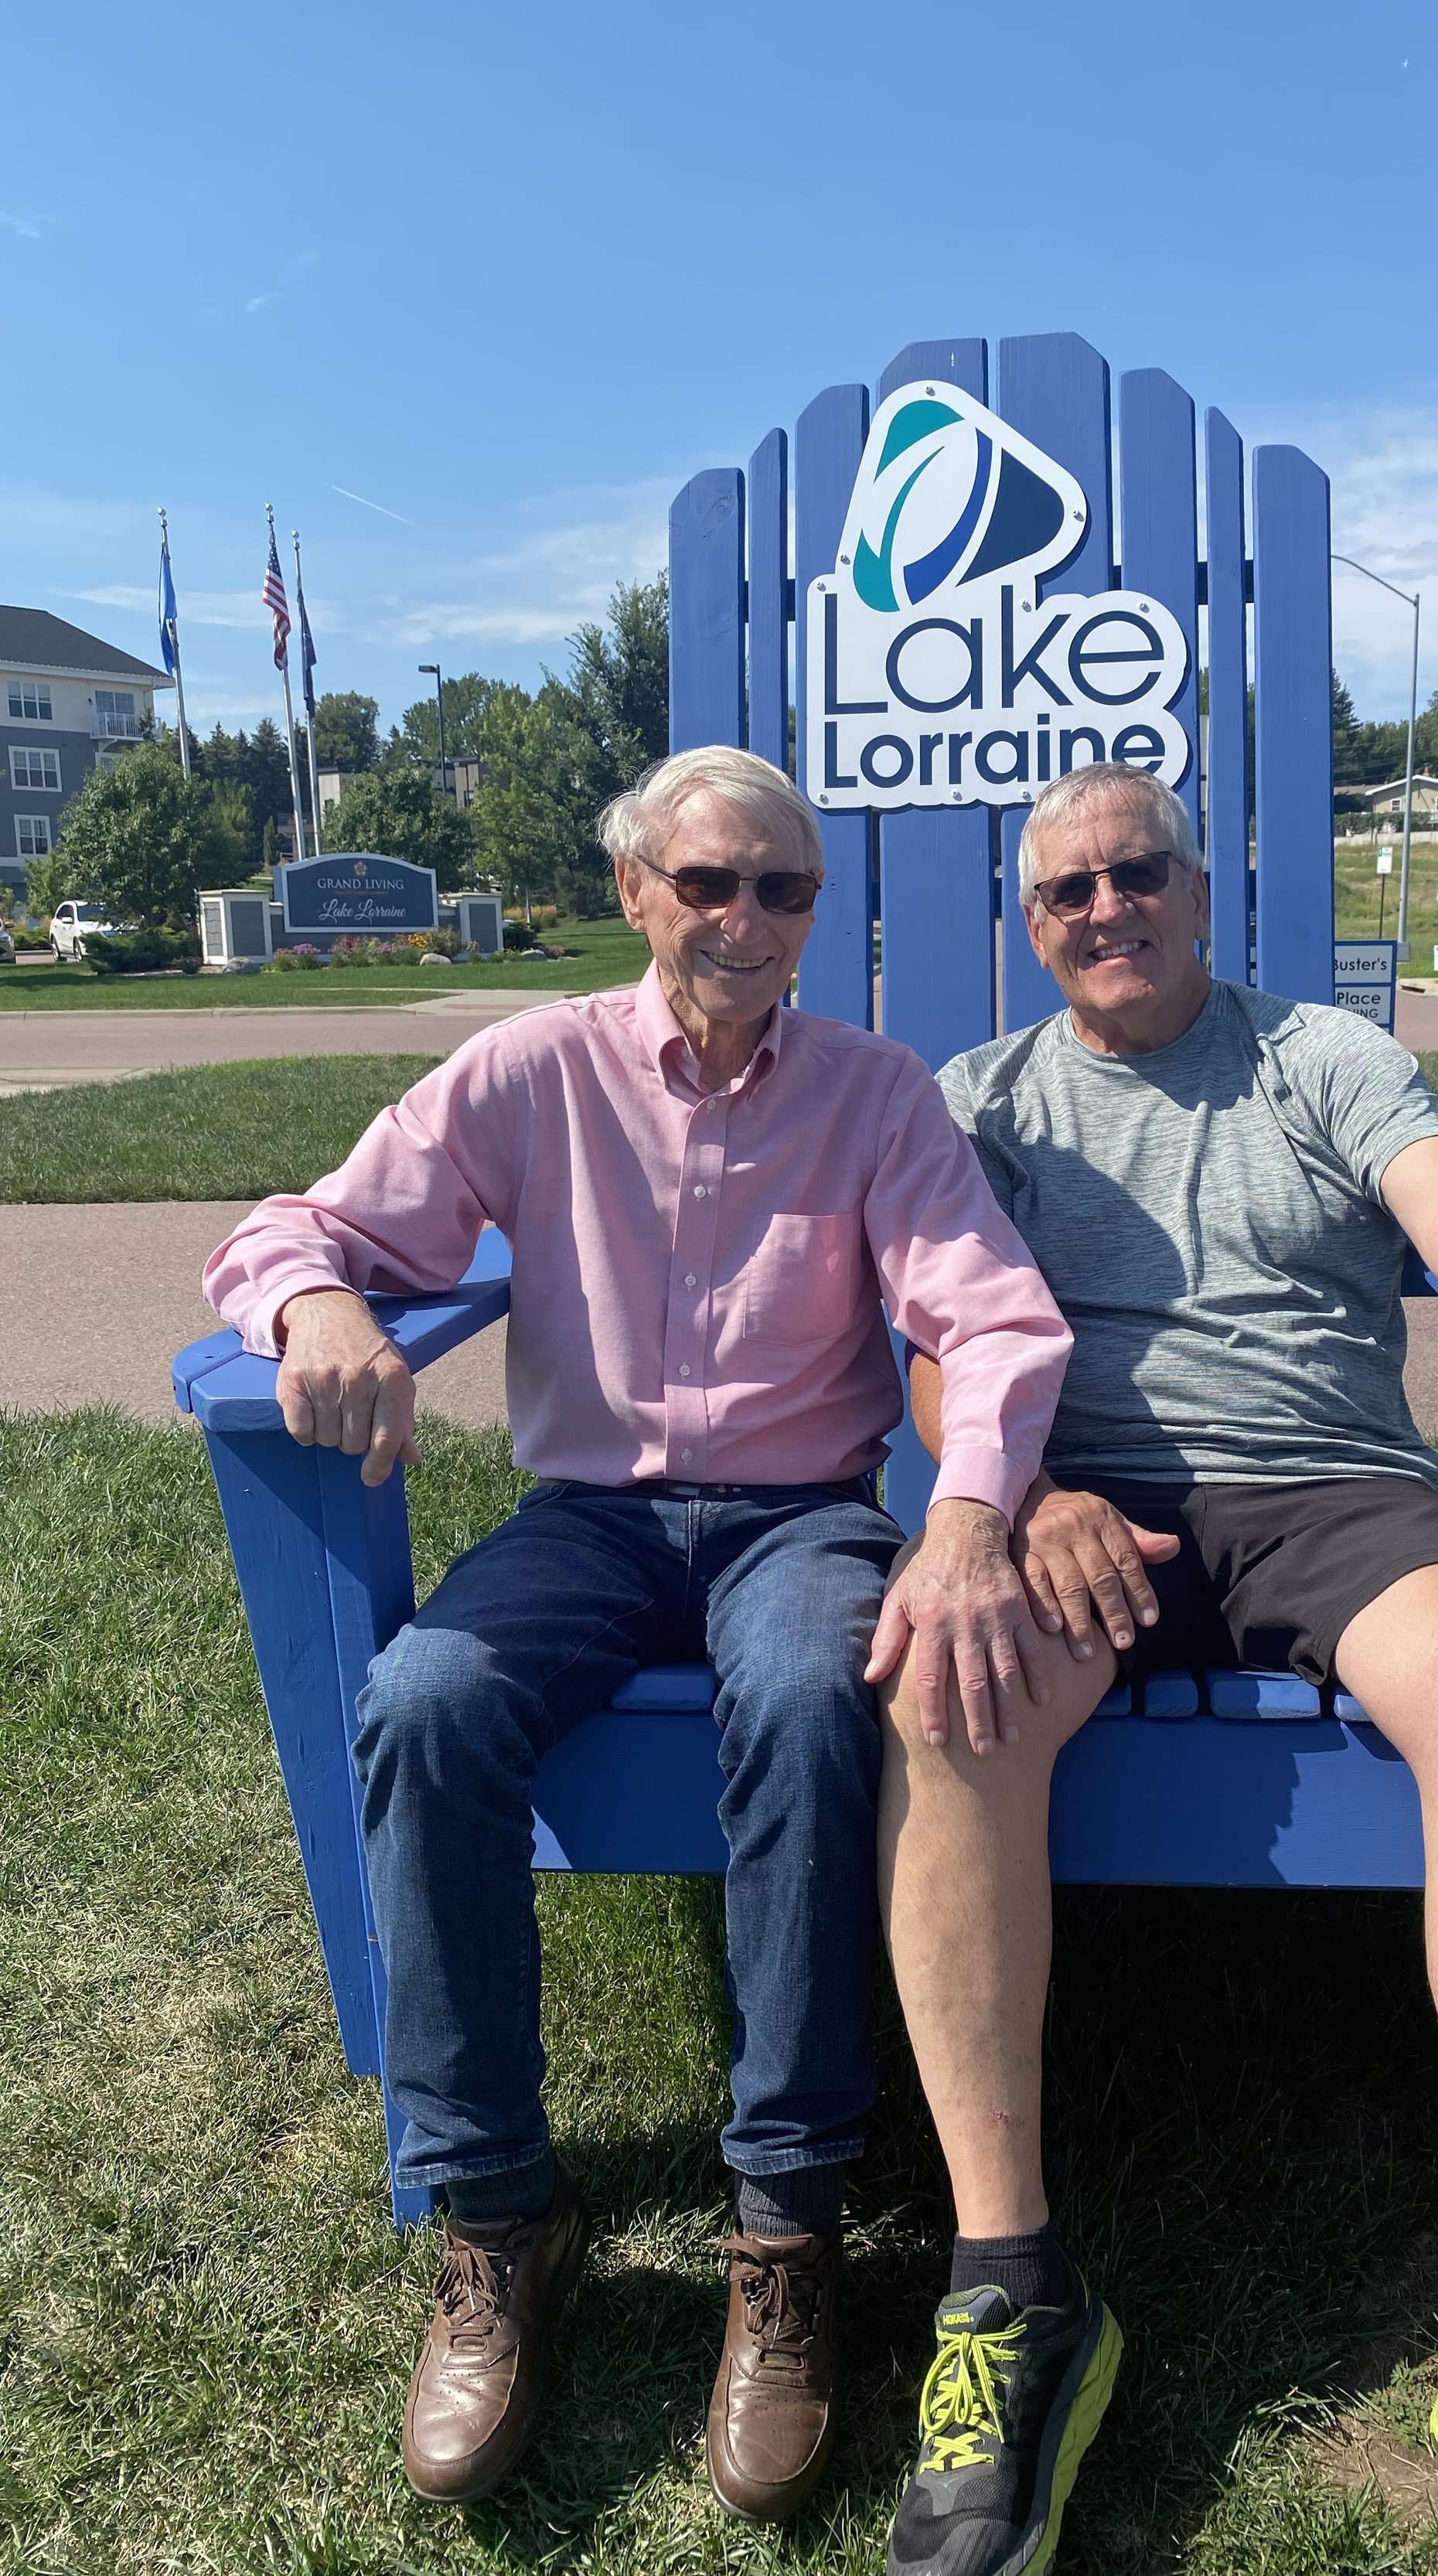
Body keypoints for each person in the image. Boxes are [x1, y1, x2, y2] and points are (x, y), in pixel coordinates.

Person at [873, 761, 1438, 2576]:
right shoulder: (982, 1102)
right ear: (1029, 932)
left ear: (1196, 890)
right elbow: (947, 1336)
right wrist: (1016, 1491)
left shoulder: (1312, 1056)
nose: (1102, 909)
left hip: (1328, 1485)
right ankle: (1009, 2291)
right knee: (949, 1690)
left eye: (1134, 873)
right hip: (1070, 1502)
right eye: (1064, 894)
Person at [203, 747, 1072, 2516]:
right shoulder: (530, 1070)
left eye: (781, 891)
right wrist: (314, 1302)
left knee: (817, 1695)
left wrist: (968, 1505)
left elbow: (986, 1314)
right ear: (635, 891)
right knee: (426, 1696)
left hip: (797, 1515)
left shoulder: (874, 1093)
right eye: (707, 883)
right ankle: (493, 2211)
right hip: (588, 1520)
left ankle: (784, 2226)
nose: (742, 920)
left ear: (811, 915)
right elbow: (300, 1222)